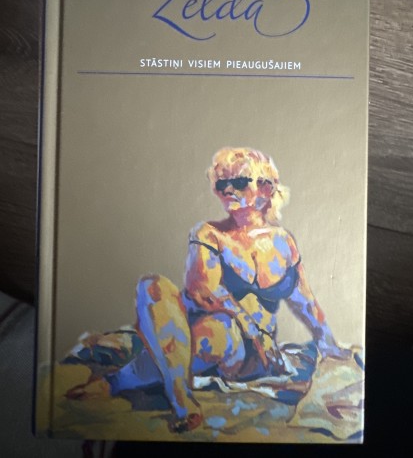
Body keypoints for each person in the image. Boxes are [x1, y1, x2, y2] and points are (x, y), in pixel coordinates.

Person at [67, 147, 350, 433]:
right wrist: (250, 325)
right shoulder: (208, 233)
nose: (227, 189)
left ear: (265, 188)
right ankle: (181, 397)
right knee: (151, 286)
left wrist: (330, 344)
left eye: (239, 182)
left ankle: (116, 382)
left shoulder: (284, 242)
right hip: (199, 330)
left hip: (243, 353)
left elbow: (306, 302)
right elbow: (202, 291)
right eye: (221, 183)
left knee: (218, 330)